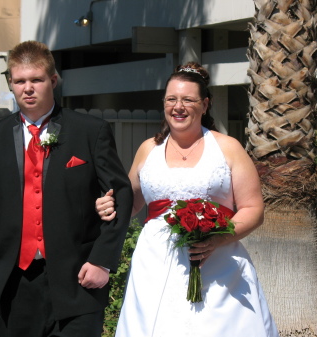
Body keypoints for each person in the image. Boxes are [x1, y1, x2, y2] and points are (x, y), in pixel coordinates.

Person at [95, 62, 279, 336]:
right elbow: (130, 202)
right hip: (154, 262)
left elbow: (253, 209)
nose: (178, 106)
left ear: (205, 105)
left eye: (188, 100)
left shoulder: (228, 147)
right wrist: (107, 204)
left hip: (218, 264)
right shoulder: (148, 149)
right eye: (171, 99)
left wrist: (216, 239)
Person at [0, 40, 133, 337]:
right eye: (19, 81)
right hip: (13, 284)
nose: (27, 88)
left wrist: (102, 261)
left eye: (36, 80)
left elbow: (120, 195)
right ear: (11, 83)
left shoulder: (89, 131)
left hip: (77, 279)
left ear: (53, 81)